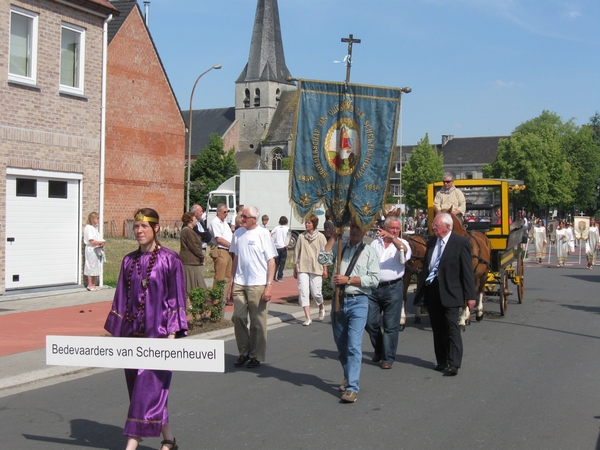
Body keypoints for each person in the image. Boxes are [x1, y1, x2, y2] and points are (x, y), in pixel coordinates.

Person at [104, 208, 187, 450]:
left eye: (144, 227)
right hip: (131, 335)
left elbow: (176, 297)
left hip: (159, 335)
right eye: (136, 227)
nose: (139, 231)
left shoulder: (169, 260)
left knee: (147, 388)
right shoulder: (128, 261)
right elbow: (120, 297)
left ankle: (132, 443)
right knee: (144, 392)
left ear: (156, 229)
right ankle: (169, 439)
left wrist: (173, 333)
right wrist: (117, 333)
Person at [318, 220, 380, 403]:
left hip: (358, 302)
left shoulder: (370, 252)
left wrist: (349, 280)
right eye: (352, 227)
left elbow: (374, 279)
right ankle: (348, 375)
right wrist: (333, 238)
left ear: (365, 231)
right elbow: (322, 259)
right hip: (338, 302)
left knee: (354, 345)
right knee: (342, 346)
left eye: (358, 227)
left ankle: (352, 387)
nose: (354, 230)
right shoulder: (340, 248)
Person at [413, 213, 476, 376]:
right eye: (433, 225)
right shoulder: (432, 242)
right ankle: (442, 360)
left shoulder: (460, 243)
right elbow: (428, 266)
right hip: (433, 292)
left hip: (452, 292)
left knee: (451, 326)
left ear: (447, 227)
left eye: (436, 225)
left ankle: (454, 362)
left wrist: (470, 295)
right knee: (438, 328)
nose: (433, 228)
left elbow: (467, 271)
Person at [228, 205, 277, 369]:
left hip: (258, 284)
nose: (241, 219)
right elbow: (235, 257)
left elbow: (271, 262)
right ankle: (244, 352)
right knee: (239, 318)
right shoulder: (238, 233)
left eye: (244, 216)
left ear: (253, 219)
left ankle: (255, 355)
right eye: (241, 216)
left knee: (257, 322)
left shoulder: (263, 234)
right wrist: (231, 280)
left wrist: (269, 286)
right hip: (240, 282)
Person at [365, 217, 411, 370]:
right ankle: (380, 349)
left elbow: (404, 252)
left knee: (391, 326)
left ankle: (388, 358)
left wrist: (393, 238)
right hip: (374, 287)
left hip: (393, 288)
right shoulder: (375, 243)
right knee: (370, 322)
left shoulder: (403, 244)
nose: (396, 231)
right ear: (385, 228)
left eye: (398, 228)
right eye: (392, 228)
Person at [293, 214, 328, 326]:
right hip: (303, 266)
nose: (306, 224)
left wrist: (325, 268)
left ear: (314, 224)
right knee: (303, 291)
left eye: (309, 222)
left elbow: (325, 253)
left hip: (316, 267)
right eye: (306, 222)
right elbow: (296, 252)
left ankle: (321, 306)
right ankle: (308, 317)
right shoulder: (301, 237)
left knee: (316, 292)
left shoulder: (321, 237)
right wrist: (295, 267)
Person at [179, 212, 207, 292]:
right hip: (189, 262)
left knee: (195, 285)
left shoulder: (190, 230)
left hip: (193, 262)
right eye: (194, 218)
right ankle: (189, 303)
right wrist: (201, 256)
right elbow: (194, 246)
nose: (196, 220)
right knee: (191, 285)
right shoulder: (187, 231)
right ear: (190, 220)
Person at [208, 203, 233, 287]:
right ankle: (216, 299)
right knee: (220, 276)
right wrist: (231, 245)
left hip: (228, 250)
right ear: (218, 212)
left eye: (227, 212)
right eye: (224, 212)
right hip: (221, 250)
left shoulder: (224, 222)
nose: (226, 214)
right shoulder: (215, 222)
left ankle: (224, 297)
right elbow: (218, 239)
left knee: (227, 276)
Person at [83, 212, 105, 291]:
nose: (98, 220)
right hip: (91, 250)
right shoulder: (88, 228)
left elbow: (98, 239)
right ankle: (90, 284)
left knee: (96, 267)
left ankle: (94, 284)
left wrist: (101, 243)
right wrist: (99, 243)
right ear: (93, 219)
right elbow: (91, 241)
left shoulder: (95, 228)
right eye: (97, 218)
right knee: (91, 266)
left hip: (96, 249)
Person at [271, 216, 290, 282]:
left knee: (276, 262)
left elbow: (271, 234)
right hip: (283, 247)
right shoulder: (287, 228)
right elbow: (289, 236)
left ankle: (273, 276)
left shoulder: (276, 228)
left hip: (276, 247)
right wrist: (287, 244)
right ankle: (280, 277)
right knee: (282, 263)